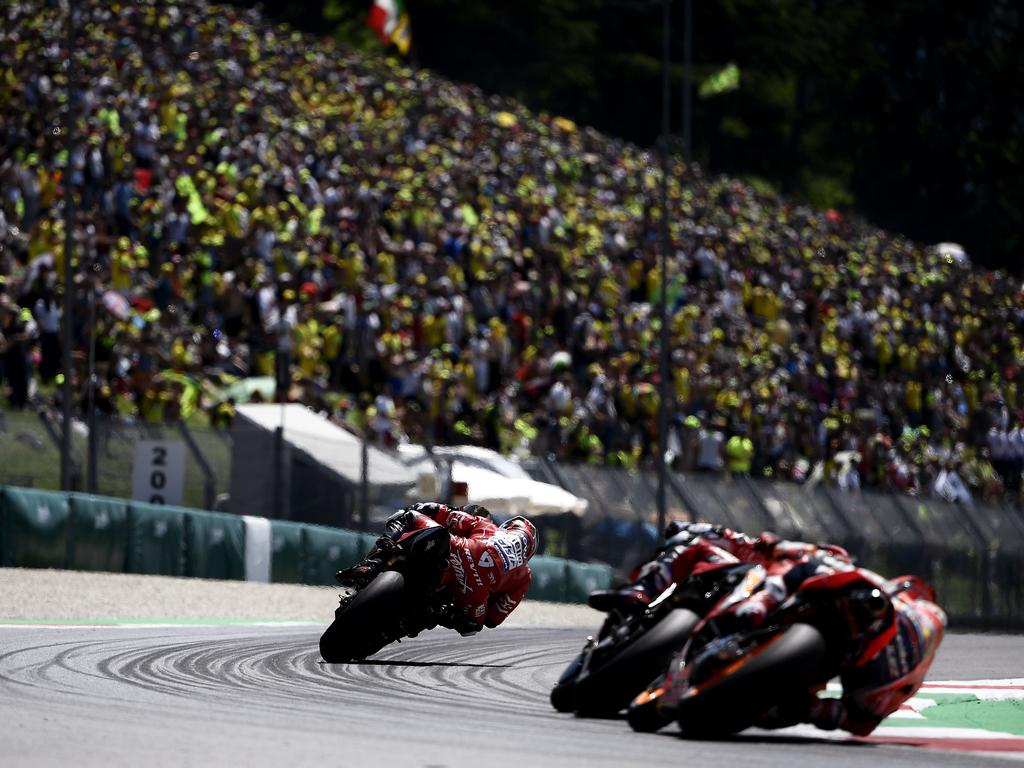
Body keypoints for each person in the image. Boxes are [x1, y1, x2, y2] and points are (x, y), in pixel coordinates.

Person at [603, 521, 945, 737]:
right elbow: (781, 555)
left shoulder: (889, 626)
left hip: (789, 618)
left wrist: (811, 710)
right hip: (760, 587)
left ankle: (725, 669)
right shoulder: (849, 573)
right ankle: (648, 607)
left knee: (790, 712)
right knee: (720, 570)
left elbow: (860, 720)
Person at [338, 502, 537, 636]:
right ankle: (419, 619)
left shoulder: (487, 526)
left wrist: (424, 507)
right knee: (471, 624)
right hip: (473, 597)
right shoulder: (525, 576)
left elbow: (443, 513)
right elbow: (494, 619)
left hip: (457, 550)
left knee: (408, 516)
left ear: (508, 527)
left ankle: (370, 565)